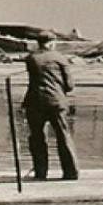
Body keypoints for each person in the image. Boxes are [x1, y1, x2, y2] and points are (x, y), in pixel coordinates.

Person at [23, 30, 79, 181]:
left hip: (35, 102)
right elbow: (69, 85)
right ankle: (71, 173)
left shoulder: (31, 58)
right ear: (53, 43)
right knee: (63, 136)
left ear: (38, 43)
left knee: (37, 137)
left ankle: (41, 172)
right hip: (56, 102)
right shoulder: (61, 58)